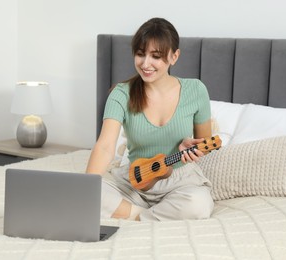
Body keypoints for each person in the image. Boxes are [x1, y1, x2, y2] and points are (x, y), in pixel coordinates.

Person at [86, 17, 214, 221]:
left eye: (156, 56)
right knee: (89, 193)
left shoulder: (196, 90)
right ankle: (148, 216)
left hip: (179, 181)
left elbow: (205, 143)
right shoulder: (121, 94)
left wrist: (191, 148)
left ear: (174, 56)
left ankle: (132, 216)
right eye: (140, 54)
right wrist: (86, 189)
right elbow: (105, 146)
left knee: (198, 204)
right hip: (134, 181)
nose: (146, 64)